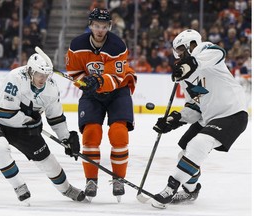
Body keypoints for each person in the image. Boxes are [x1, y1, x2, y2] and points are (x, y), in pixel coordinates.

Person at [151, 29, 248, 209]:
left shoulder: (206, 51)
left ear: (191, 44)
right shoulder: (185, 76)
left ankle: (170, 187)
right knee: (185, 153)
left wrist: (187, 66)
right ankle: (190, 191)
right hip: (209, 118)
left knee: (199, 144)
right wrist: (174, 119)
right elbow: (195, 107)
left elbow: (218, 52)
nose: (179, 54)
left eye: (181, 49)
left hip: (232, 114)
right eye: (177, 51)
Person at [0, 52, 86, 205]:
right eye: (39, 74)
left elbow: (56, 118)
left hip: (24, 126)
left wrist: (66, 138)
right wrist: (32, 122)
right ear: (30, 71)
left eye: (46, 75)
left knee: (48, 162)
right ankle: (18, 185)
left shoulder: (51, 89)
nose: (43, 79)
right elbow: (4, 114)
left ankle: (66, 189)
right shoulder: (15, 78)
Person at [65, 8, 137, 202]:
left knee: (118, 133)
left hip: (118, 91)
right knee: (91, 133)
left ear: (109, 27)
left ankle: (118, 178)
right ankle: (91, 179)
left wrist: (96, 82)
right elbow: (73, 72)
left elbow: (116, 77)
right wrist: (83, 81)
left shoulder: (117, 45)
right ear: (90, 25)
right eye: (96, 26)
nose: (100, 30)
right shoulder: (76, 45)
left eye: (104, 26)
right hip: (93, 95)